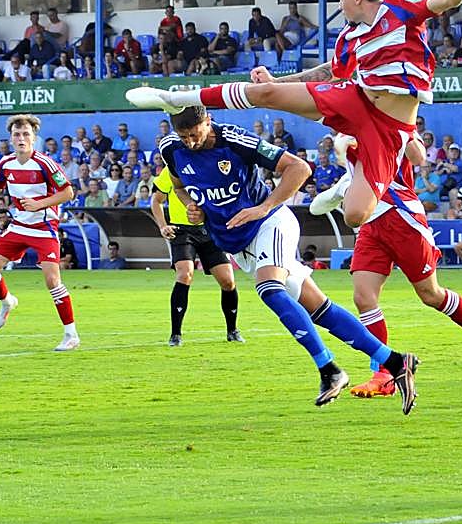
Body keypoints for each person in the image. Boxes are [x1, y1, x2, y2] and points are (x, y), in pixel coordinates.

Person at [129, 0, 462, 231]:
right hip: (357, 101)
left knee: (355, 215)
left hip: (390, 128)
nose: (338, 4)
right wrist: (277, 82)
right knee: (265, 95)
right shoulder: (349, 37)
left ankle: (346, 180)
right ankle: (175, 98)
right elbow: (327, 74)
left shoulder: (398, 7)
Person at [157, 106, 419, 412]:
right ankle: (396, 361)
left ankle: (329, 371)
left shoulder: (234, 139)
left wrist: (264, 206)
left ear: (208, 121)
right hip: (239, 242)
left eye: (195, 134)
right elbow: (178, 186)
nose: (190, 142)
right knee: (320, 309)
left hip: (270, 223)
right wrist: (192, 206)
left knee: (270, 289)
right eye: (184, 136)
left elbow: (299, 168)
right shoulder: (170, 149)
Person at [346, 162, 462, 398]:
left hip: (401, 217)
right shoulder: (344, 134)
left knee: (430, 295)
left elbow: (417, 154)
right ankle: (384, 374)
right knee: (364, 297)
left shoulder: (387, 128)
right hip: (371, 223)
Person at [0, 114, 80, 352]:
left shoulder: (45, 163)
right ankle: (7, 302)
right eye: (17, 134)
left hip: (44, 228)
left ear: (33, 138)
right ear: (11, 138)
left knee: (52, 281)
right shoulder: (6, 163)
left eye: (26, 134)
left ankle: (71, 335)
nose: (21, 138)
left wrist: (40, 204)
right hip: (18, 226)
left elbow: (68, 193)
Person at [150, 162, 242, 345]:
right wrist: (163, 226)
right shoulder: (172, 170)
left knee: (228, 280)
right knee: (185, 274)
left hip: (209, 230)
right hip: (181, 230)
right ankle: (175, 334)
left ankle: (232, 330)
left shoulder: (210, 167)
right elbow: (156, 200)